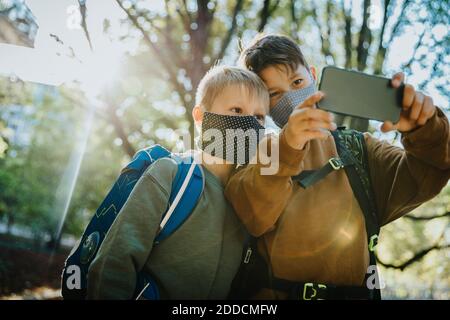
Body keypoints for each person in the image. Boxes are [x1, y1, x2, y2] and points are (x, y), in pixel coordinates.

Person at [225, 34, 450, 299]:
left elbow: (430, 171)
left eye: (297, 82)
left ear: (312, 75)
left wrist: (425, 128)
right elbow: (253, 215)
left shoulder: (360, 150)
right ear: (262, 102)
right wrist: (288, 147)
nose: (291, 98)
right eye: (274, 94)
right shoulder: (250, 154)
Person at [86, 65, 269, 299]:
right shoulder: (170, 174)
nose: (250, 123)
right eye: (236, 109)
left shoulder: (248, 199)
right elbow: (114, 263)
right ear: (201, 117)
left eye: (259, 117)